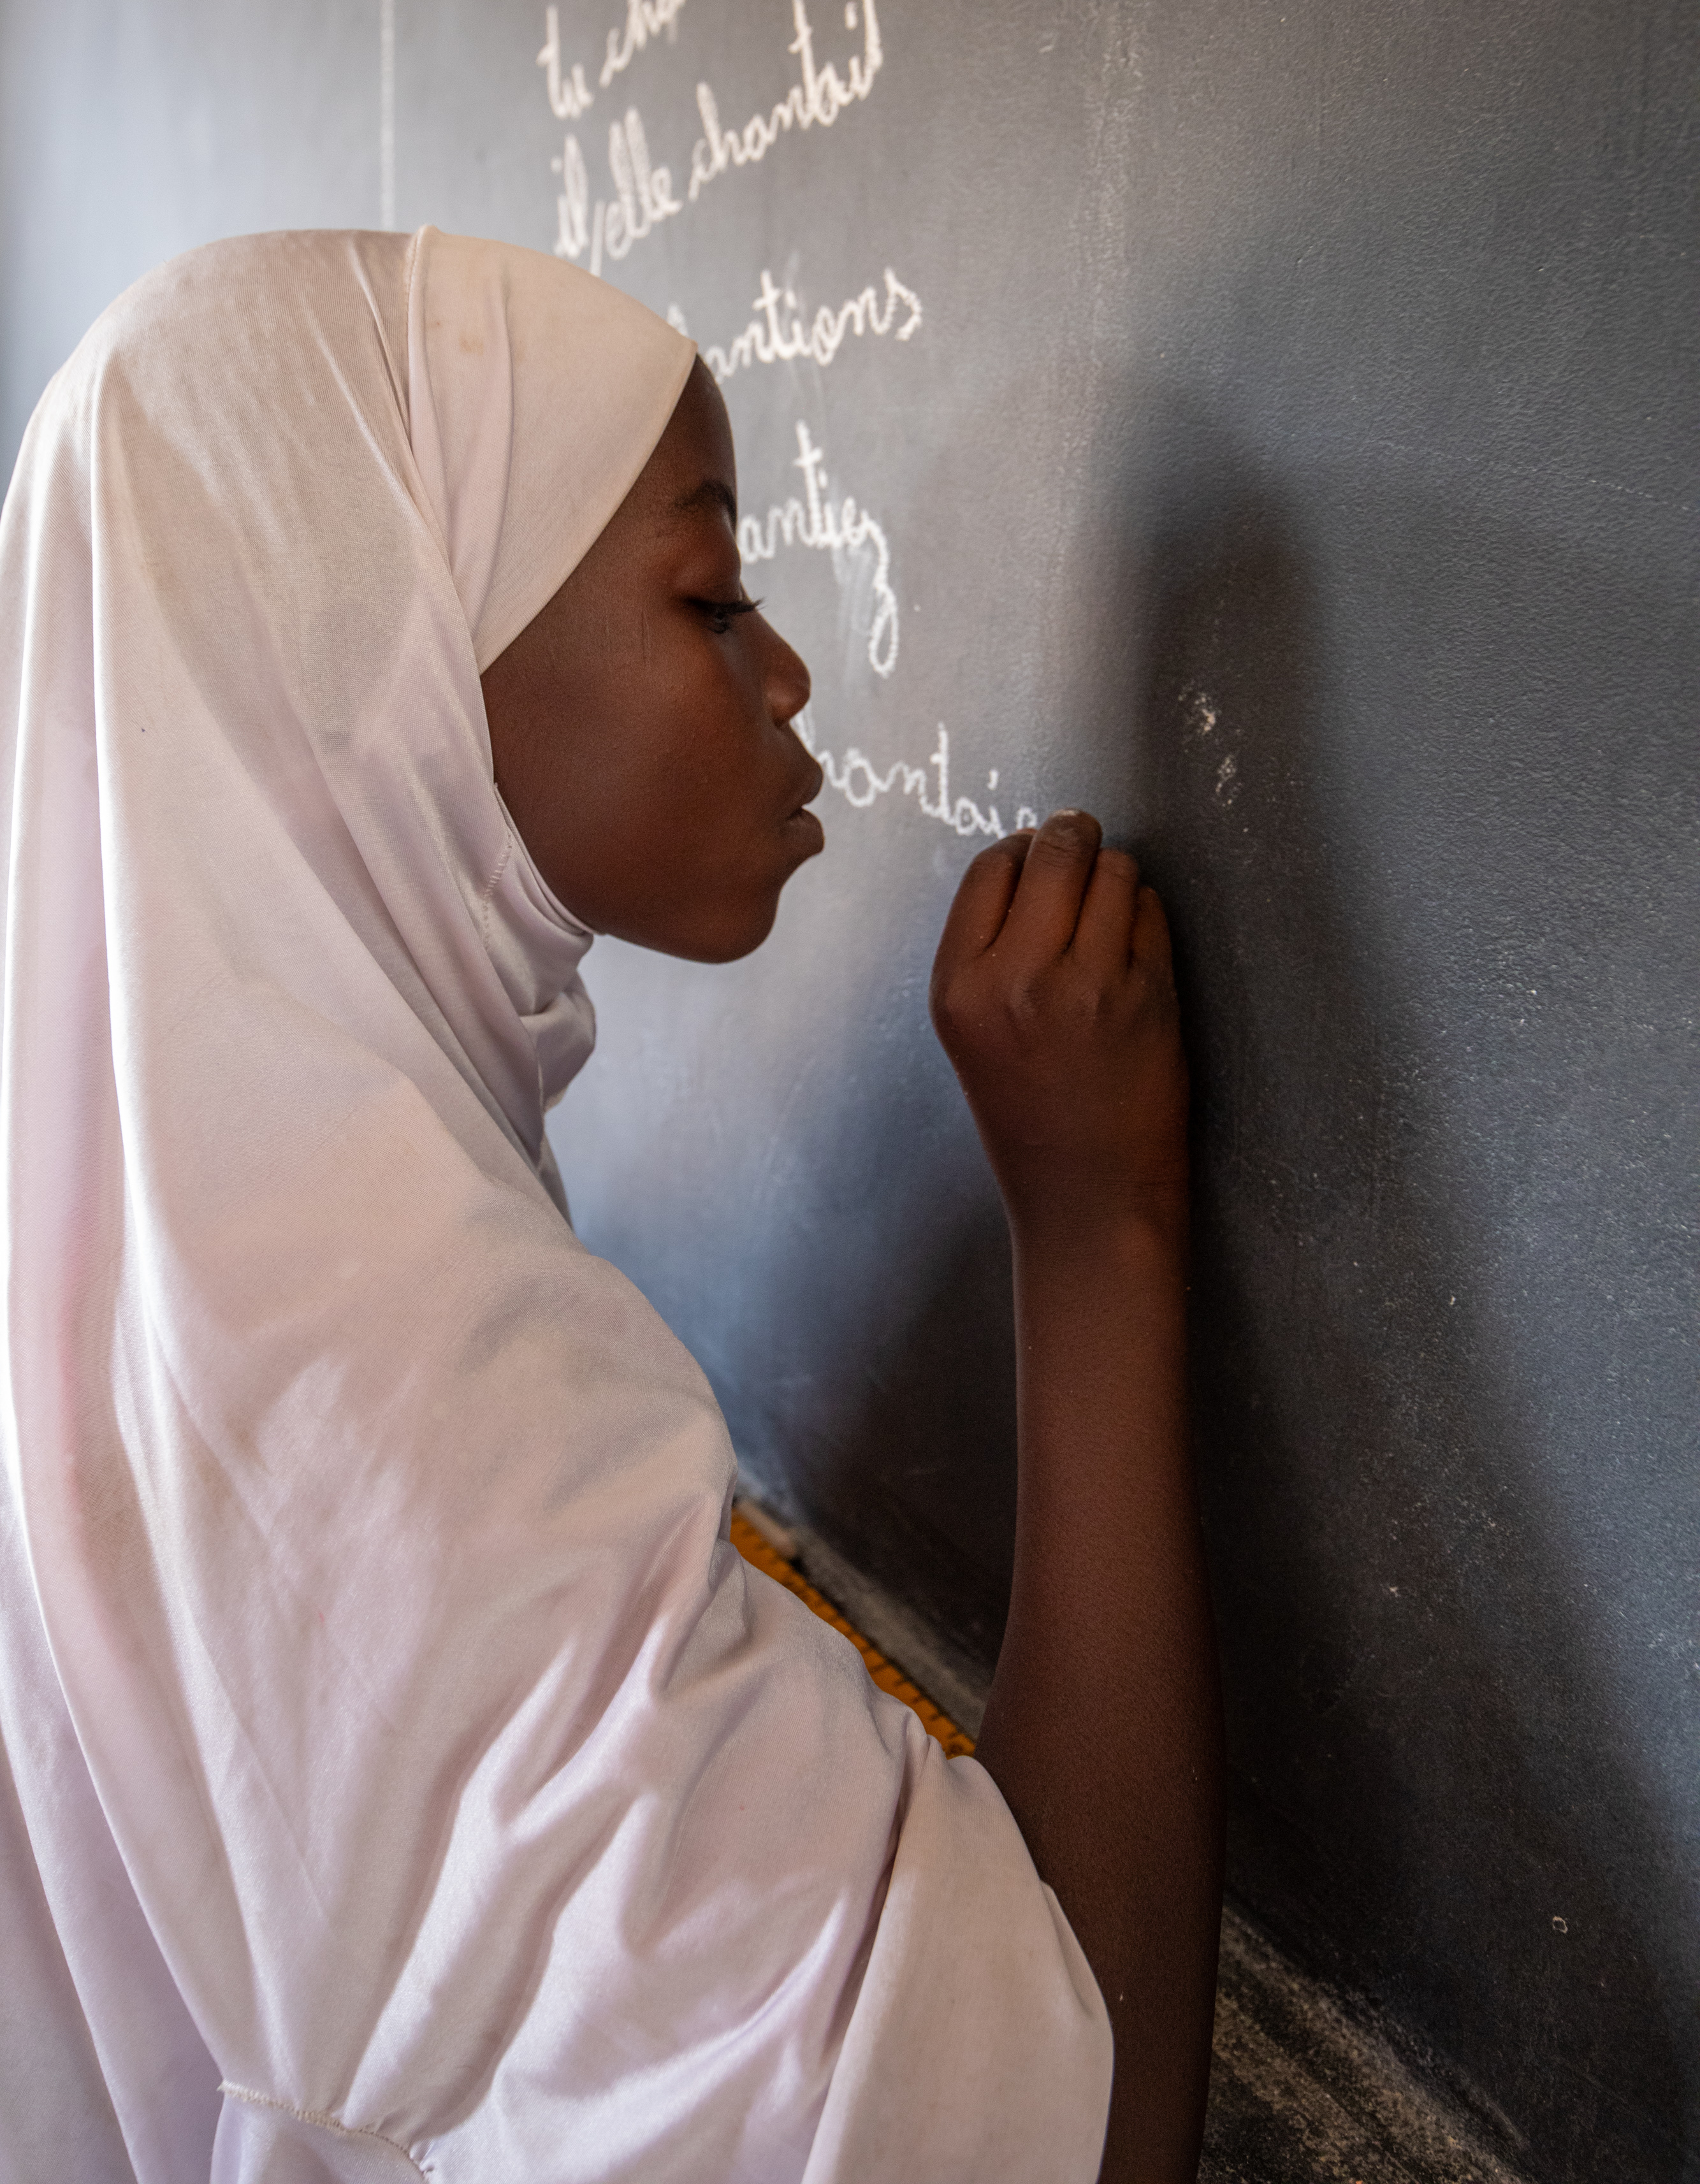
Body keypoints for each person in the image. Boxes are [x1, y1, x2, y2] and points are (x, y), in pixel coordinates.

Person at [0, 227, 1221, 2183]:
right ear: (376, 681)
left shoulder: (117, 1250)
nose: (786, 670)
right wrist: (1101, 1233)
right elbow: (1062, 2123)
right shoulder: (416, 1399)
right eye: (710, 598)